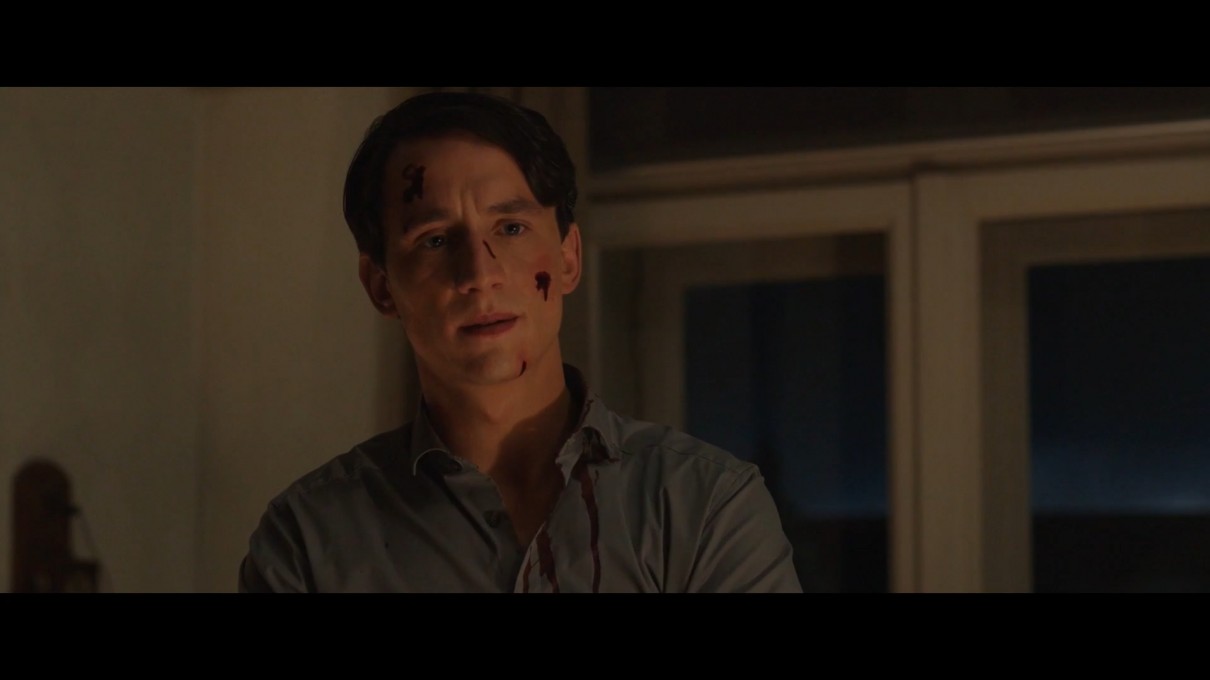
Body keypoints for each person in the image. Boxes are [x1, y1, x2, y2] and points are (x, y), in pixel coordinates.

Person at [238, 91, 802, 593]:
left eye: (510, 228)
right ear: (381, 286)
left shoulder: (702, 506)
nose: (479, 274)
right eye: (434, 240)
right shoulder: (311, 540)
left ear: (568, 258)